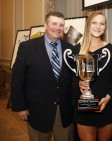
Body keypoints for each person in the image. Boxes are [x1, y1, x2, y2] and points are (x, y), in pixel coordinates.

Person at [11, 11, 74, 141]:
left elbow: (73, 79)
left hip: (64, 110)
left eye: (61, 25)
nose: (58, 28)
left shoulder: (71, 49)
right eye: (54, 23)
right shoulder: (27, 47)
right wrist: (20, 106)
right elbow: (17, 80)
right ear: (45, 25)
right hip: (37, 110)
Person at [73, 11, 112, 141]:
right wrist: (78, 83)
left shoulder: (111, 50)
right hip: (84, 108)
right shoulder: (77, 50)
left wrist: (108, 97)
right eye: (94, 23)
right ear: (88, 25)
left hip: (106, 107)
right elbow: (71, 78)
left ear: (105, 27)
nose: (98, 26)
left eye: (102, 23)